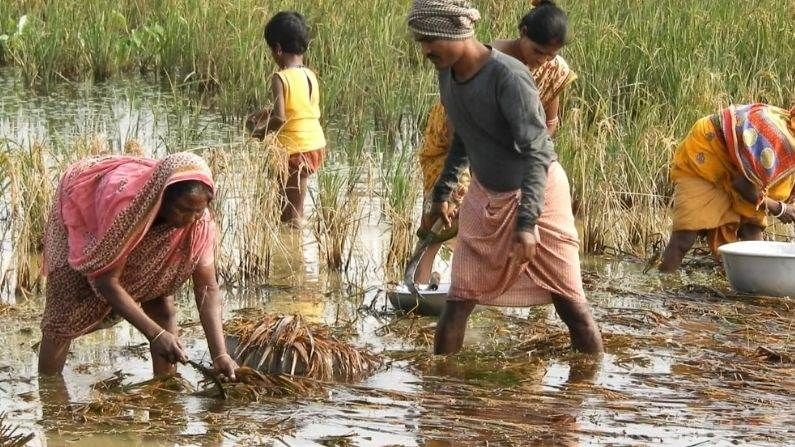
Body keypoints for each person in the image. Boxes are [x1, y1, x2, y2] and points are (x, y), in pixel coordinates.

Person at [407, 0, 603, 355]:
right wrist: (443, 192)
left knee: (571, 306)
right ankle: (439, 394)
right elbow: (464, 135)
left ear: (457, 33)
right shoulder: (447, 71)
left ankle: (586, 390)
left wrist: (527, 224)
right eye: (421, 41)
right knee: (459, 299)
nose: (425, 50)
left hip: (537, 196)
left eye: (430, 40)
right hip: (486, 194)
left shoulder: (508, 76)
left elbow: (538, 152)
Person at [415, 0, 577, 284]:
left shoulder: (554, 69)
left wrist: (526, 166)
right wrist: (474, 173)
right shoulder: (489, 62)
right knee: (449, 211)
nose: (543, 60)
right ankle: (419, 284)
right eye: (538, 51)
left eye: (550, 55)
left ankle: (476, 285)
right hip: (456, 143)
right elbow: (461, 126)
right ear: (523, 32)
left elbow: (548, 122)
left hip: (505, 154)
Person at [38, 152, 238, 380]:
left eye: (198, 210)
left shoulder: (199, 224)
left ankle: (164, 387)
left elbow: (207, 288)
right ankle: (49, 388)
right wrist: (155, 334)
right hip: (85, 212)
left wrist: (220, 354)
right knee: (64, 312)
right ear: (161, 198)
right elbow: (106, 282)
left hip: (133, 228)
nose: (190, 219)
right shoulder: (126, 210)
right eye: (182, 209)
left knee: (161, 303)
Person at [660, 104, 795, 272]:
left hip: (743, 171)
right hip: (708, 155)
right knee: (684, 239)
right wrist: (780, 209)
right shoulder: (779, 143)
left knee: (753, 234)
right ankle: (662, 286)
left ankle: (753, 288)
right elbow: (742, 185)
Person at [247, 11, 327, 226]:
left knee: (292, 216)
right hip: (315, 145)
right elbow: (299, 109)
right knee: (286, 200)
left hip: (296, 150)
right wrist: (265, 113)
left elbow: (281, 118)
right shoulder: (310, 74)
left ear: (278, 49)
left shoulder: (280, 78)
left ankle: (294, 250)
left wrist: (259, 133)